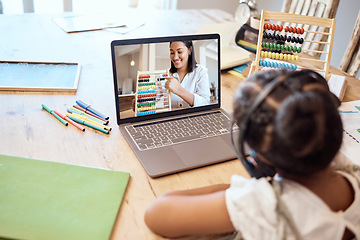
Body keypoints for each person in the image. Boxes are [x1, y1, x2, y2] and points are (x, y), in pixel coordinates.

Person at [144, 69, 360, 239]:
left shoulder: (264, 206)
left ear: (258, 160)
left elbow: (156, 214)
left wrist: (247, 189)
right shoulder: (352, 177)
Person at [165, 41, 211, 108]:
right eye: (172, 52)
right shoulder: (165, 76)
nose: (175, 57)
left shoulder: (200, 72)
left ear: (190, 50)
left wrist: (179, 90)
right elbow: (150, 101)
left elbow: (205, 103)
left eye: (180, 52)